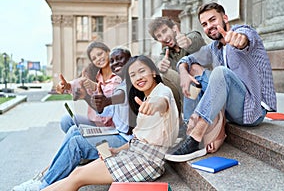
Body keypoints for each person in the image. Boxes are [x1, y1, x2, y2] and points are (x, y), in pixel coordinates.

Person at [41, 55, 179, 191]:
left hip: (147, 162)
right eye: (133, 75)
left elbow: (162, 101)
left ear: (153, 72)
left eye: (142, 71)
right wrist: (116, 150)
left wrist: (154, 105)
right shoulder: (144, 96)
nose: (138, 77)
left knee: (78, 176)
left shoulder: (162, 91)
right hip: (134, 153)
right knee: (76, 174)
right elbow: (137, 141)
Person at [165, 2, 277, 162]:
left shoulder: (243, 32)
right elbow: (188, 59)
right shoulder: (214, 47)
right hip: (233, 107)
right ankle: (188, 127)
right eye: (204, 24)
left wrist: (240, 40)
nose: (209, 26)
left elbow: (245, 39)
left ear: (225, 18)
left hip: (252, 110)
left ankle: (195, 140)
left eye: (213, 20)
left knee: (221, 73)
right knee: (192, 68)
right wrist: (182, 71)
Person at [12, 47, 133, 191]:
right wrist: (68, 86)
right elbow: (88, 93)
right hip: (115, 130)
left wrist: (94, 99)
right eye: (94, 57)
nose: (113, 63)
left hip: (121, 137)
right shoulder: (103, 76)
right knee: (74, 130)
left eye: (101, 54)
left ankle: (44, 184)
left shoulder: (124, 83)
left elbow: (113, 102)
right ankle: (52, 173)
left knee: (76, 142)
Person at [148, 16, 206, 122]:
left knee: (192, 69)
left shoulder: (191, 36)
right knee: (163, 75)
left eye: (165, 31)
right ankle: (177, 120)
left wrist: (187, 42)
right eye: (159, 36)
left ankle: (189, 121)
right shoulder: (166, 53)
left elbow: (196, 40)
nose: (164, 37)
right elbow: (159, 62)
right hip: (187, 95)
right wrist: (160, 66)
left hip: (205, 88)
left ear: (174, 28)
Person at [56, 41, 122, 133]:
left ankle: (82, 143)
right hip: (95, 122)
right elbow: (78, 83)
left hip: (112, 127)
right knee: (66, 120)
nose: (98, 59)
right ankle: (82, 144)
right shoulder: (95, 74)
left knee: (74, 131)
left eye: (100, 54)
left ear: (108, 52)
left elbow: (109, 97)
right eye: (94, 58)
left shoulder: (118, 74)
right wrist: (66, 86)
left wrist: (94, 87)